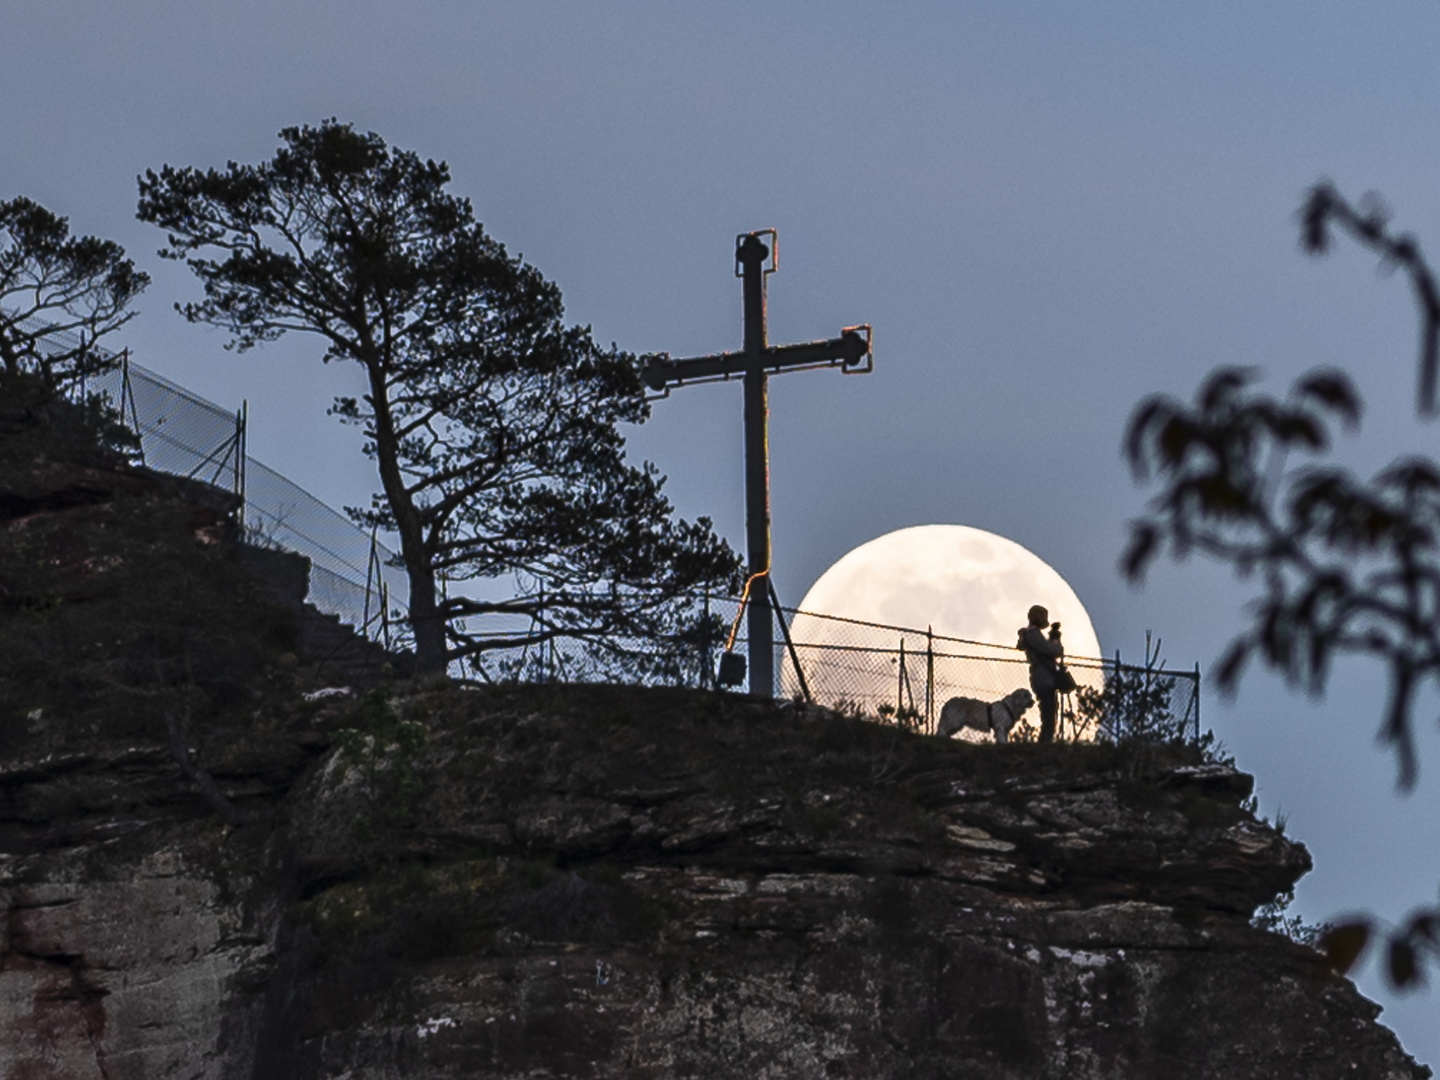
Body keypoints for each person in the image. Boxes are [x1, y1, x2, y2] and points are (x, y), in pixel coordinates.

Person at [1017, 604, 1064, 743]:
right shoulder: (1033, 634)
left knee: (1049, 711)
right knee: (1049, 712)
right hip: (1044, 678)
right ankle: (1045, 743)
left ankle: (1046, 741)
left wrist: (1051, 638)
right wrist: (1056, 641)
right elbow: (1053, 651)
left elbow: (1045, 650)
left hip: (1041, 677)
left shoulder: (1031, 635)